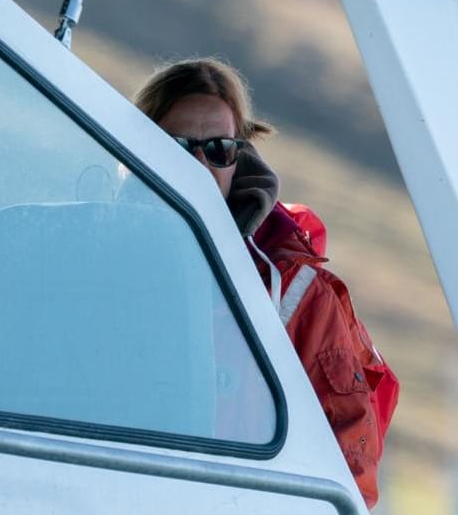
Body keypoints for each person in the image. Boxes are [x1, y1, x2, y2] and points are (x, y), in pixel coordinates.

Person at [134, 60, 399, 509]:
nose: (199, 163)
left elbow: (349, 471)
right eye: (176, 145)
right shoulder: (88, 262)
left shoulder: (297, 293)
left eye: (218, 148)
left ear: (240, 157)